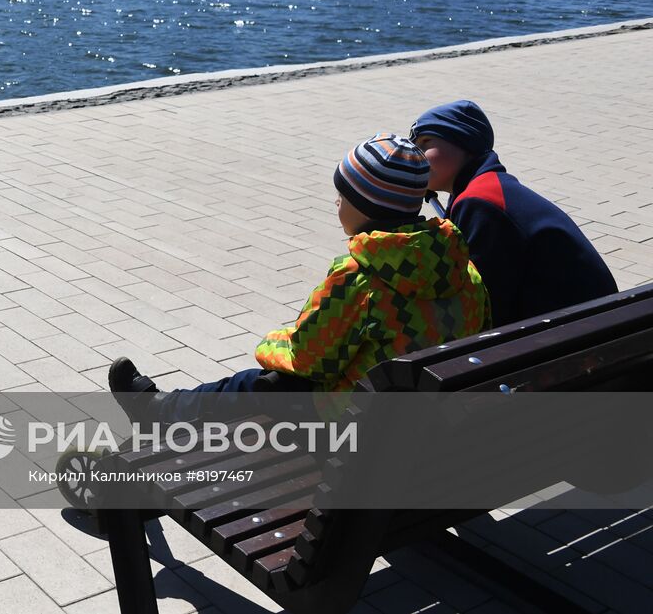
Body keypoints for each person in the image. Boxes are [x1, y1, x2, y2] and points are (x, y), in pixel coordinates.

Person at [111, 134, 490, 422]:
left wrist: (271, 341)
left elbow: (307, 359)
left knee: (258, 384)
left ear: (365, 205)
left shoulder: (361, 280)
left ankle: (158, 412)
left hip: (358, 435)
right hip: (431, 425)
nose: (336, 204)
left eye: (342, 196)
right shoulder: (464, 270)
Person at [409, 100, 617, 327]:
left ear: (465, 141)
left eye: (425, 143)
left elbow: (484, 300)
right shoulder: (489, 187)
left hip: (573, 335)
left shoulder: (480, 201)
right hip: (591, 325)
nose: (416, 156)